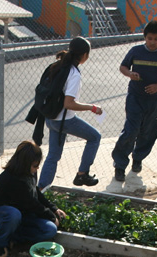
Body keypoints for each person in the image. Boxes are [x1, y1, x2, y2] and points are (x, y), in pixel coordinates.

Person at [112, 20, 157, 182]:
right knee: (131, 130)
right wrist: (130, 74)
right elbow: (123, 67)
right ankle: (120, 165)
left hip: (155, 101)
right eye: (150, 38)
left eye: (156, 39)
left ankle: (138, 158)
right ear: (145, 37)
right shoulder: (135, 51)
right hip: (135, 98)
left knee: (149, 131)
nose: (153, 42)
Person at [37, 36, 104, 191]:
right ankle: (82, 174)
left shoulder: (58, 65)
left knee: (53, 156)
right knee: (95, 137)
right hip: (64, 121)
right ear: (85, 55)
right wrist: (92, 107)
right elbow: (69, 104)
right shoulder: (73, 73)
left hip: (51, 118)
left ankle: (41, 189)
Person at [0, 141, 66, 257]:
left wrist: (53, 209)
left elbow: (36, 193)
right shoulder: (12, 179)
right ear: (24, 164)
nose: (37, 168)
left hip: (25, 214)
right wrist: (50, 215)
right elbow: (31, 203)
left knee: (50, 230)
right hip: (3, 212)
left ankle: (13, 237)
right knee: (14, 215)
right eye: (35, 165)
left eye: (38, 165)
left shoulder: (30, 172)